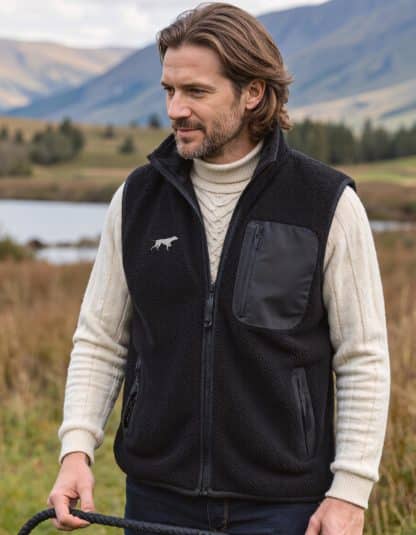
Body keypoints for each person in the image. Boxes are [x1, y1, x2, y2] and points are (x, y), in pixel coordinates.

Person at [47, 3, 390, 534]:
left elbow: (362, 357)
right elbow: (101, 339)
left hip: (284, 508)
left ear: (252, 92)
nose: (175, 109)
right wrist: (76, 450)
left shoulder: (326, 204)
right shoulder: (137, 199)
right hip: (157, 499)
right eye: (169, 90)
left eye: (196, 92)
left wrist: (350, 491)